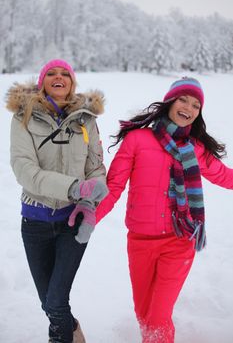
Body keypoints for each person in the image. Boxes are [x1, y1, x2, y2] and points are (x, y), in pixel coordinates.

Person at [70, 77, 233, 342]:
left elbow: (225, 176)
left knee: (158, 318)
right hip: (140, 242)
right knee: (144, 315)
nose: (189, 108)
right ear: (170, 101)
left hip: (180, 241)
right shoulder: (137, 140)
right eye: (183, 99)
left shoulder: (196, 148)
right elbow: (114, 187)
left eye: (195, 105)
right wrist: (91, 218)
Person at [6, 59, 108, 343]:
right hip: (35, 222)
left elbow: (96, 169)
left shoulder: (87, 119)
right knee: (49, 303)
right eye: (51, 73)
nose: (58, 77)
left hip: (72, 222)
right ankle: (71, 330)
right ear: (42, 81)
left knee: (55, 302)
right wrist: (76, 188)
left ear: (73, 82)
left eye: (65, 73)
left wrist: (88, 205)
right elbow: (25, 170)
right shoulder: (23, 118)